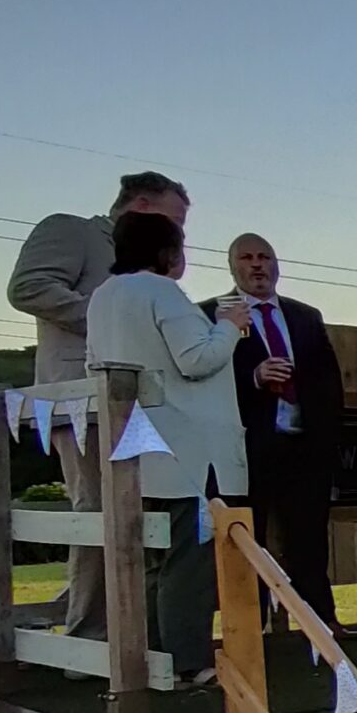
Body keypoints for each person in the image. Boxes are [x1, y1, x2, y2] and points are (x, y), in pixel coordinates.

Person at [6, 170, 189, 635]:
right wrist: (113, 319)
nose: (179, 236)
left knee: (143, 516)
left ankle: (137, 631)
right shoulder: (72, 230)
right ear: (143, 206)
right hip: (81, 398)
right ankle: (89, 640)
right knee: (98, 513)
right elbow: (27, 287)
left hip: (143, 403)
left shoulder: (145, 259)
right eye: (175, 221)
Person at [83, 211, 249, 684]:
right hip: (189, 449)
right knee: (189, 561)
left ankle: (154, 656)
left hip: (138, 443)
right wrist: (229, 325)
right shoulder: (161, 291)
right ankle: (188, 662)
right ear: (168, 251)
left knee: (155, 559)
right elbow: (196, 359)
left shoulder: (102, 298)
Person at [209, 233, 350, 637]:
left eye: (265, 257)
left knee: (309, 535)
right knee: (248, 536)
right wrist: (253, 376)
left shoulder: (304, 315)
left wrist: (327, 435)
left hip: (304, 441)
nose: (257, 265)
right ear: (233, 267)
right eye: (247, 258)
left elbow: (328, 378)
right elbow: (205, 375)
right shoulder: (215, 314)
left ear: (276, 264)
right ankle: (252, 626)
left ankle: (321, 621)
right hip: (249, 444)